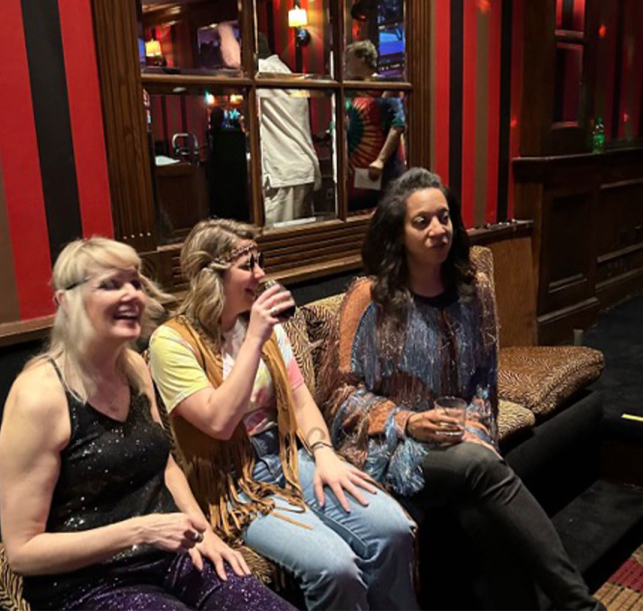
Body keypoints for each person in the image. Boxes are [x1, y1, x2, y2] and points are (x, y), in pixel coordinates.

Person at [319, 168, 604, 611]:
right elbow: (340, 396)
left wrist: (473, 429)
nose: (438, 229)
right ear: (398, 232)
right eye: (422, 222)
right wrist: (408, 422)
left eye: (444, 217)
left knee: (485, 513)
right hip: (388, 449)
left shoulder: (474, 291)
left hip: (459, 441)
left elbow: (484, 385)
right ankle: (580, 605)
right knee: (481, 467)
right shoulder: (370, 298)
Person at [0, 236, 293, 611]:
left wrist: (203, 531)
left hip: (166, 557)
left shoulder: (134, 367)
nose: (132, 295)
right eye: (110, 284)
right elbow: (22, 552)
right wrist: (140, 530)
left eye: (135, 282)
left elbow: (165, 465)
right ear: (65, 302)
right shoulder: (38, 396)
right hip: (86, 583)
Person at [148, 219, 418, 611]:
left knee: (393, 531)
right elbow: (219, 422)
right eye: (247, 265)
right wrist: (255, 337)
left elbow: (300, 400)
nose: (260, 274)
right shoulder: (171, 341)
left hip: (289, 456)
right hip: (232, 481)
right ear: (211, 275)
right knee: (335, 567)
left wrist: (324, 454)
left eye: (260, 260)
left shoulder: (261, 324)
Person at [218, 23, 321, 226]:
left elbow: (233, 60)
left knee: (279, 239)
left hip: (285, 172)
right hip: (299, 169)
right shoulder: (282, 70)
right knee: (300, 236)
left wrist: (223, 28)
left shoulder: (266, 71)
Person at [344, 41, 406, 211]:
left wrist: (380, 160)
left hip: (380, 169)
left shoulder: (382, 87)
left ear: (362, 59)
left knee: (382, 212)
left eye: (348, 60)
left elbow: (398, 124)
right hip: (357, 170)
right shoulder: (354, 90)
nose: (345, 64)